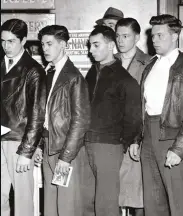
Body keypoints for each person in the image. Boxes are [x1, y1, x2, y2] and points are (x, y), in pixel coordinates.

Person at [129, 14, 183, 216]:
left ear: (175, 37)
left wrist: (179, 149)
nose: (154, 40)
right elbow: (142, 106)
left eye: (160, 36)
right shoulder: (151, 66)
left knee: (179, 201)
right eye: (153, 36)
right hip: (149, 137)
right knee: (153, 201)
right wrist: (137, 138)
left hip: (173, 137)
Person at [85, 25, 142, 216]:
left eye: (96, 45)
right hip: (86, 142)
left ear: (110, 46)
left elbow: (133, 118)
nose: (91, 50)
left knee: (106, 201)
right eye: (90, 45)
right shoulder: (92, 72)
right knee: (88, 198)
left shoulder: (125, 80)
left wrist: (123, 141)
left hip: (109, 145)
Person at [35, 25, 91, 216]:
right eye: (43, 44)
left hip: (65, 150)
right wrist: (40, 146)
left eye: (49, 44)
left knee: (67, 206)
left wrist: (66, 157)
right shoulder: (49, 73)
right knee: (50, 205)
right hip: (50, 145)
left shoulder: (74, 77)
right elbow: (45, 116)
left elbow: (80, 121)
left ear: (63, 45)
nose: (45, 49)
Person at [1, 18, 46, 216]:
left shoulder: (34, 70)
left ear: (24, 40)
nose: (6, 46)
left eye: (11, 41)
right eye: (3, 41)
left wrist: (27, 151)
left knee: (22, 197)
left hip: (18, 140)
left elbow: (37, 114)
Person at [115, 17, 151, 216]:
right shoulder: (108, 61)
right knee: (115, 192)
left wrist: (137, 136)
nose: (120, 40)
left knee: (137, 193)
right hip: (113, 134)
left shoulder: (147, 63)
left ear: (136, 37)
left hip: (138, 135)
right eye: (118, 36)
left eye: (126, 36)